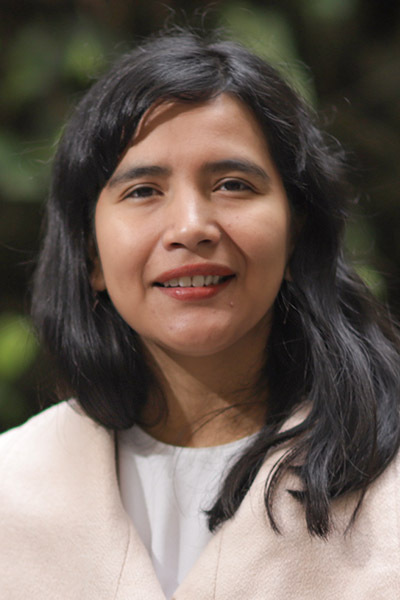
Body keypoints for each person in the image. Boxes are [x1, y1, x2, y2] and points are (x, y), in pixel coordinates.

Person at [1, 27, 400, 600]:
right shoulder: (13, 487)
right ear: (90, 254)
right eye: (143, 191)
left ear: (296, 234)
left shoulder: (388, 486)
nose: (190, 227)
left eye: (233, 184)